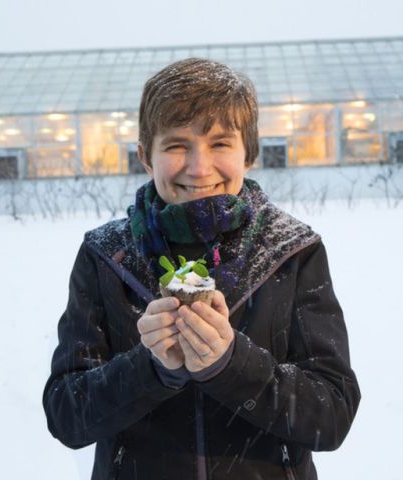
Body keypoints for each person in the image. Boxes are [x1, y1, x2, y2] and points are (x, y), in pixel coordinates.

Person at [43, 58, 361, 480]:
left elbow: (332, 414)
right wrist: (151, 369)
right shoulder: (106, 256)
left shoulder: (293, 251)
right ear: (145, 156)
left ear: (248, 153)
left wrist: (231, 365)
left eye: (220, 143)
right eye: (176, 146)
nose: (199, 167)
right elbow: (68, 414)